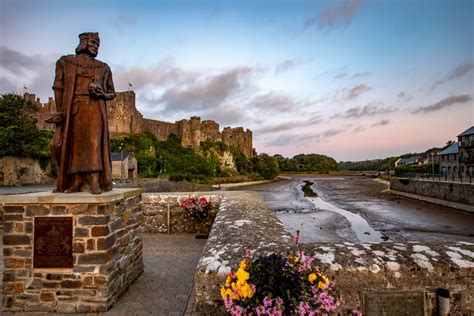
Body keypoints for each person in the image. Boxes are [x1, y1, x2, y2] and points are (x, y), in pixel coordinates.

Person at [48, 32, 116, 194]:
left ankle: (94, 180)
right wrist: (60, 111)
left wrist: (102, 94)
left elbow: (112, 93)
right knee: (74, 145)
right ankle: (76, 180)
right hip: (74, 109)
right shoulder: (66, 62)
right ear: (83, 43)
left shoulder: (103, 67)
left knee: (94, 144)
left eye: (97, 45)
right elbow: (58, 87)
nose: (95, 47)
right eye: (92, 43)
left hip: (95, 110)